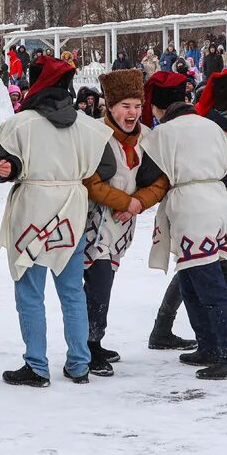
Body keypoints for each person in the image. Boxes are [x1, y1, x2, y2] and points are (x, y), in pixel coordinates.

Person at [0, 57, 111, 387]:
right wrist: (75, 173)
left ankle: (37, 366)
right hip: (71, 212)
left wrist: (10, 168)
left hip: (31, 212)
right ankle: (80, 363)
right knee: (72, 292)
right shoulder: (87, 124)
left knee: (30, 292)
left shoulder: (20, 124)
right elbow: (107, 167)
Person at [144, 71, 227, 380]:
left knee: (210, 286)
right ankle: (208, 345)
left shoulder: (162, 134)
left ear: (160, 109)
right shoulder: (212, 127)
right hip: (217, 202)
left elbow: (148, 175)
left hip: (191, 207)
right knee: (192, 282)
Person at [81, 69, 166, 376]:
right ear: (111, 106)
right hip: (93, 223)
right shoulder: (94, 134)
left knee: (104, 283)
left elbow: (161, 180)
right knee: (98, 284)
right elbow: (88, 180)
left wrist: (139, 203)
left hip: (123, 227)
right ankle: (88, 345)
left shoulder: (148, 137)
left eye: (136, 106)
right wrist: (125, 202)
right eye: (126, 106)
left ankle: (94, 339)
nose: (132, 113)